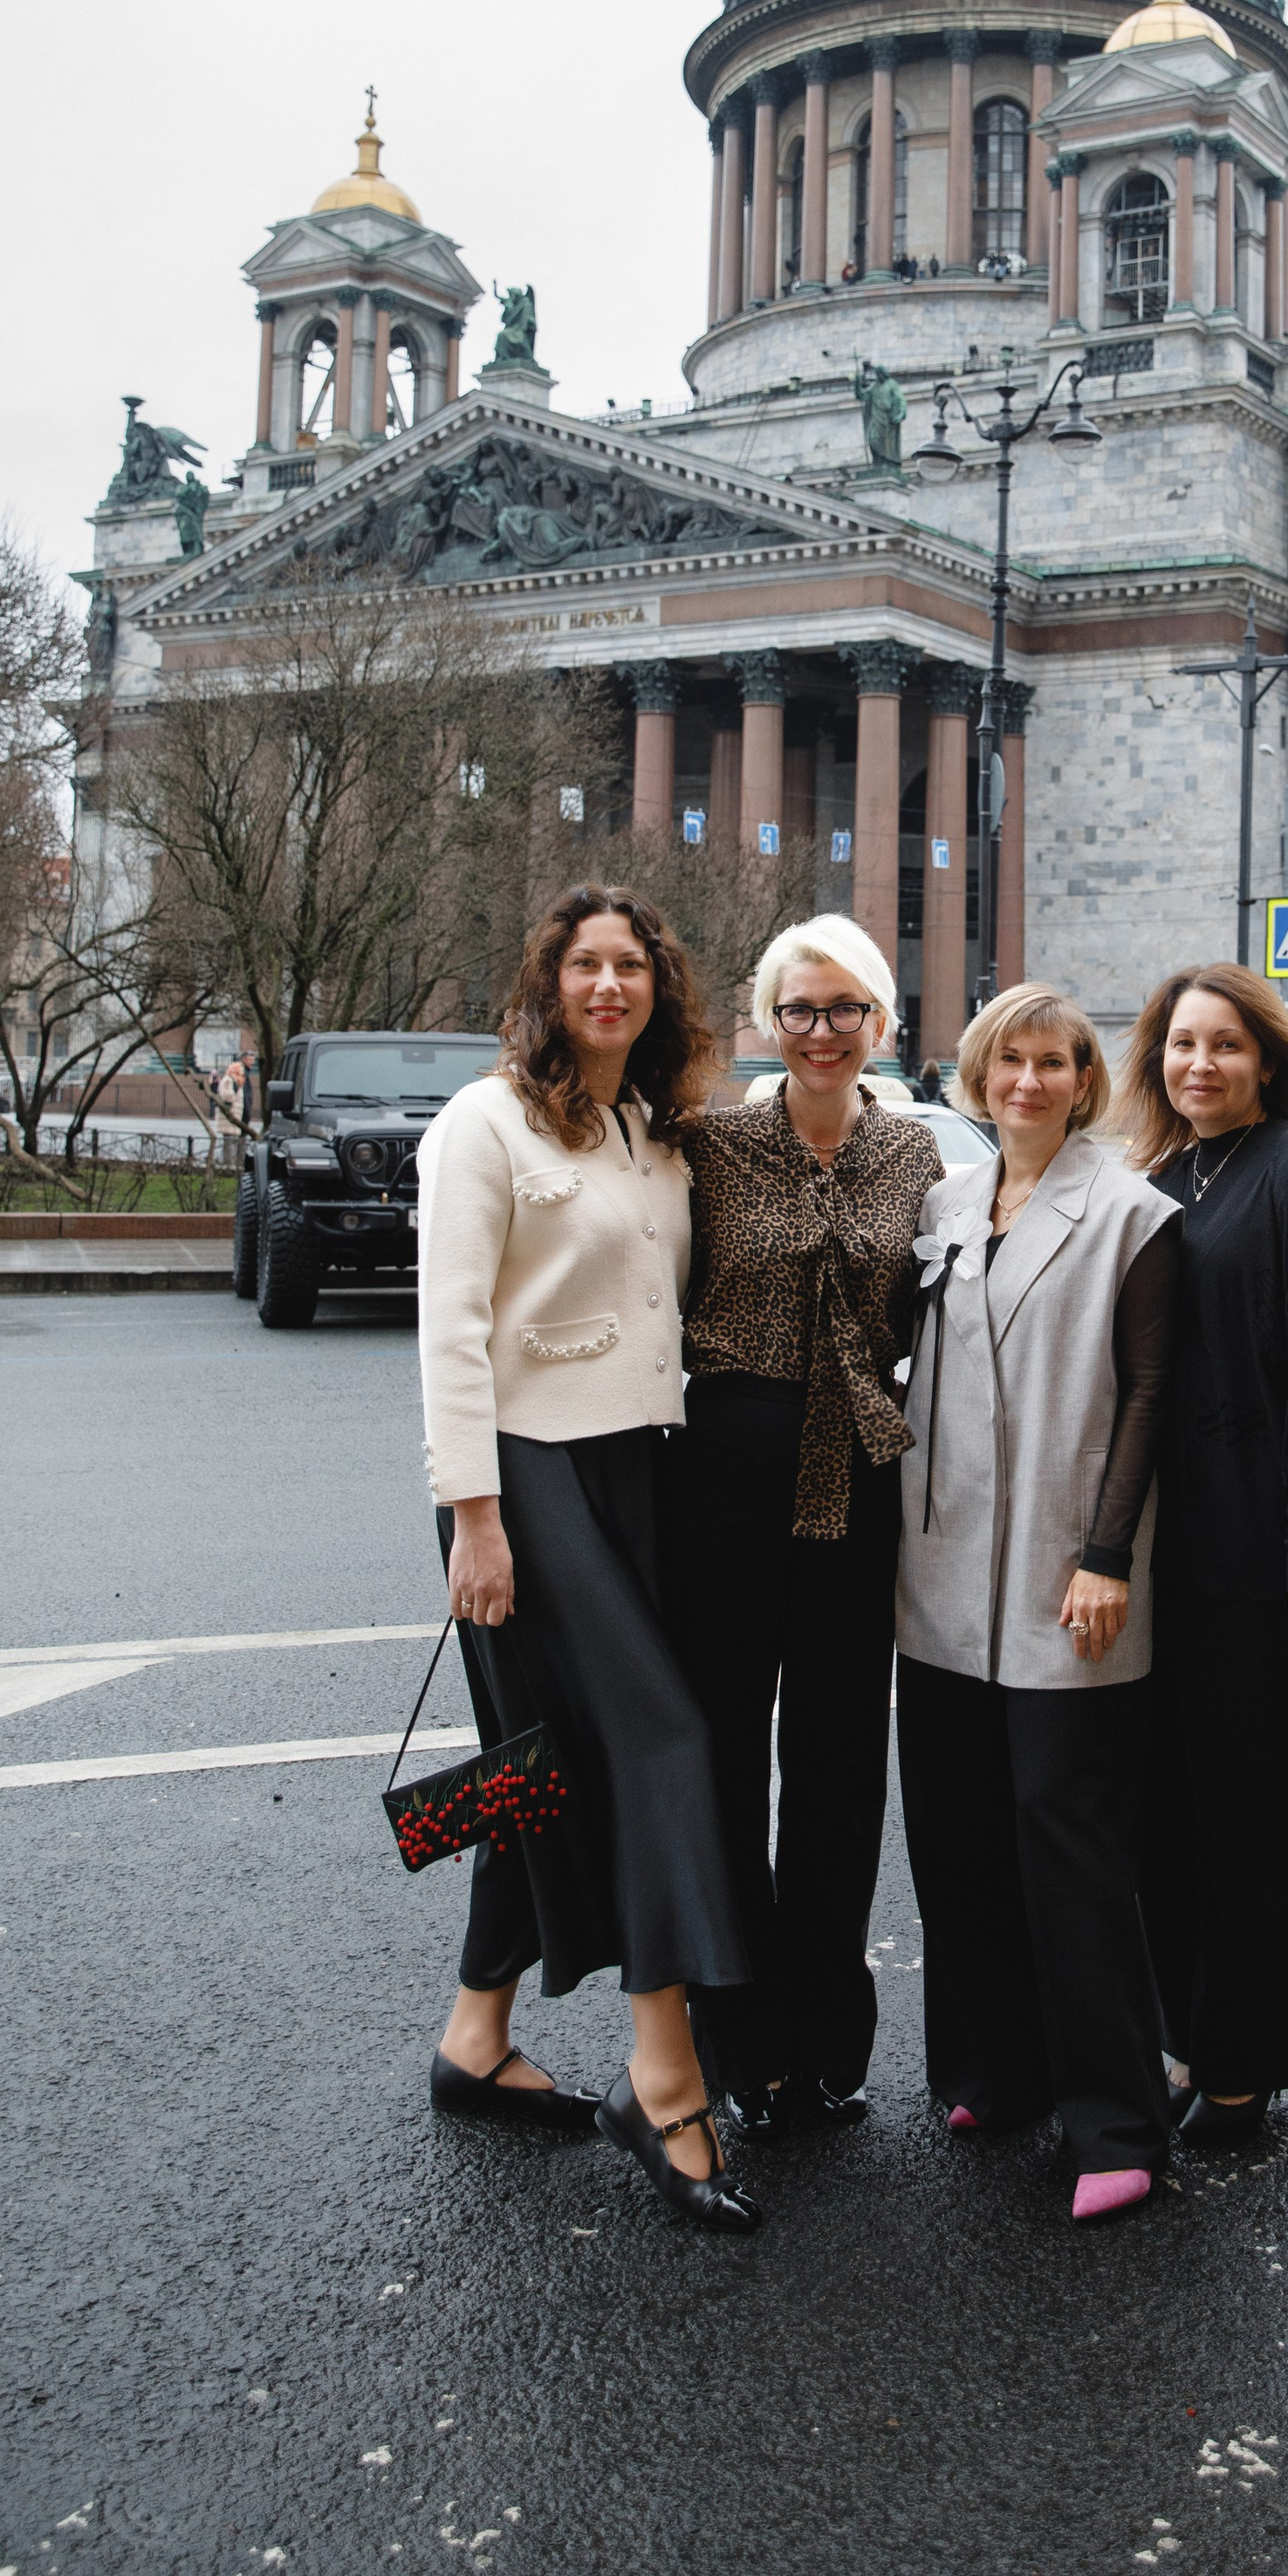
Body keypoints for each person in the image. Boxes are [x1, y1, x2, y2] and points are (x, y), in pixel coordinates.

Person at [416, 883, 757, 2236]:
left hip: (635, 1469)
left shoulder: (653, 1134)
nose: (608, 985)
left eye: (631, 966)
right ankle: (663, 2080)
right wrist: (476, 1520)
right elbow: (447, 1333)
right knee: (660, 1743)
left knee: (537, 1767)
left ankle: (474, 2037)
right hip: (523, 1474)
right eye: (584, 965)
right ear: (548, 983)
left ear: (658, 991)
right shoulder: (483, 1120)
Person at [897, 984, 1181, 2223]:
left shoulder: (1133, 1214)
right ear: (976, 1072)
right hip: (942, 1568)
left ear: (1084, 1080)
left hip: (1070, 1573)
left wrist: (1109, 1553)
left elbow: (1151, 1392)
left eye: (1054, 1062)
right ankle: (990, 2070)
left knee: (1069, 1846)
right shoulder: (947, 1205)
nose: (1028, 1081)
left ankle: (1115, 2116)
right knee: (957, 1837)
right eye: (1008, 1060)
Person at [658, 914, 942, 2139]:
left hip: (857, 1486)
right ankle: (742, 2039)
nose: (823, 1032)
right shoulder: (708, 1148)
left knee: (835, 1766)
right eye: (799, 1010)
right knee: (723, 1757)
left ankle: (829, 2036)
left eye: (846, 1010)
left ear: (883, 1023)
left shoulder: (919, 1153)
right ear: (769, 1025)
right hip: (722, 1475)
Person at [1119, 964, 1288, 2147]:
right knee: (1163, 1805)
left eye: (1226, 1046)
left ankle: (1247, 2063)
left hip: (1260, 1547)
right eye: (1182, 1046)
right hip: (1163, 1548)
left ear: (1266, 1060)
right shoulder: (1163, 1174)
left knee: (1251, 1813)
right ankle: (1183, 2035)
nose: (1201, 1066)